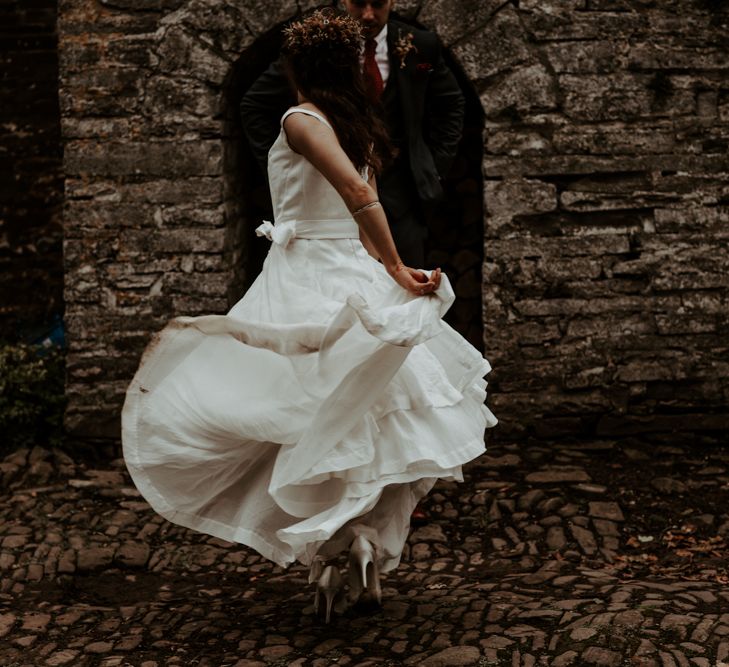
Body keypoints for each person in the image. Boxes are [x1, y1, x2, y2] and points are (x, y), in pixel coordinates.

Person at [122, 9, 495, 624]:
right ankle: (358, 543)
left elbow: (358, 197)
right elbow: (359, 203)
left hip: (313, 275)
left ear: (296, 68)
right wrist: (387, 268)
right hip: (347, 266)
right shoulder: (351, 123)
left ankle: (342, 545)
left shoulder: (302, 121)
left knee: (314, 414)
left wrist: (398, 271)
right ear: (348, 68)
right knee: (358, 414)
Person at [240, 0, 465, 269]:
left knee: (405, 294)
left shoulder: (420, 46)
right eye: (359, 3)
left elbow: (450, 104)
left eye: (378, 4)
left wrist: (433, 168)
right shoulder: (318, 47)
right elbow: (255, 103)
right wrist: (287, 173)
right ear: (345, 1)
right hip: (334, 199)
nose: (368, 14)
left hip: (403, 194)